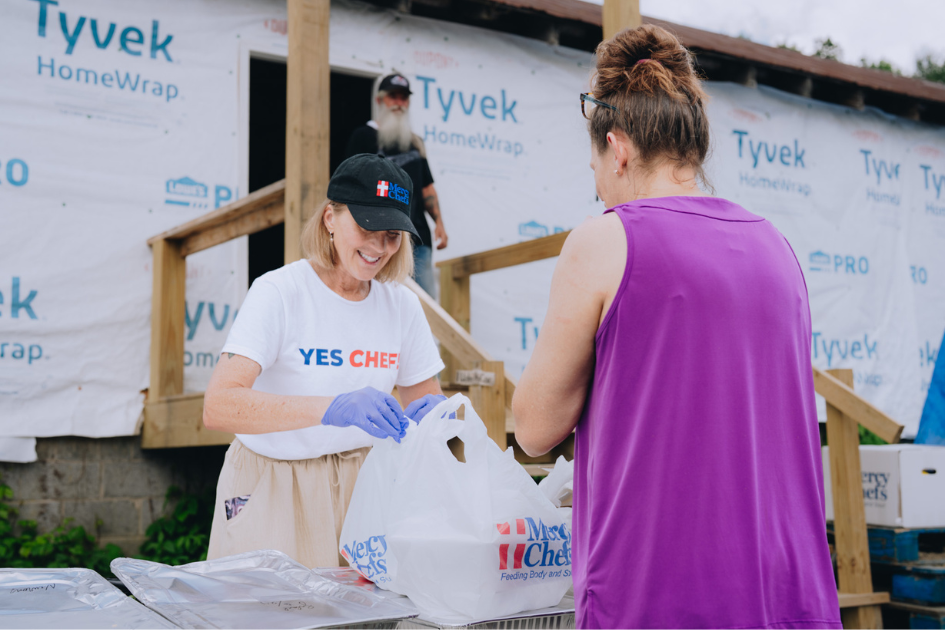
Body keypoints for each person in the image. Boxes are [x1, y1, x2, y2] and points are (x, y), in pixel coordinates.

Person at [512, 25, 841, 629]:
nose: (600, 189)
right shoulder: (778, 248)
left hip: (658, 595)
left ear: (619, 149)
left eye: (596, 170)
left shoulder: (603, 240)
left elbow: (533, 428)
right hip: (787, 599)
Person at [203, 154, 448, 568]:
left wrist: (440, 418)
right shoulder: (279, 292)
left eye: (391, 235)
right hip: (273, 480)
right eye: (366, 226)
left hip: (366, 484)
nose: (378, 247)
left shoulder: (403, 306)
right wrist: (333, 408)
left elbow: (428, 406)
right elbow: (219, 406)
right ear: (330, 218)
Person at [345, 73, 447, 297]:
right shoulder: (363, 137)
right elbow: (350, 186)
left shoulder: (415, 142)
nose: (399, 103)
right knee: (379, 301)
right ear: (380, 100)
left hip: (416, 238)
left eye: (403, 97)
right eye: (393, 96)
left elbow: (427, 187)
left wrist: (439, 223)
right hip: (375, 238)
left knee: (425, 305)